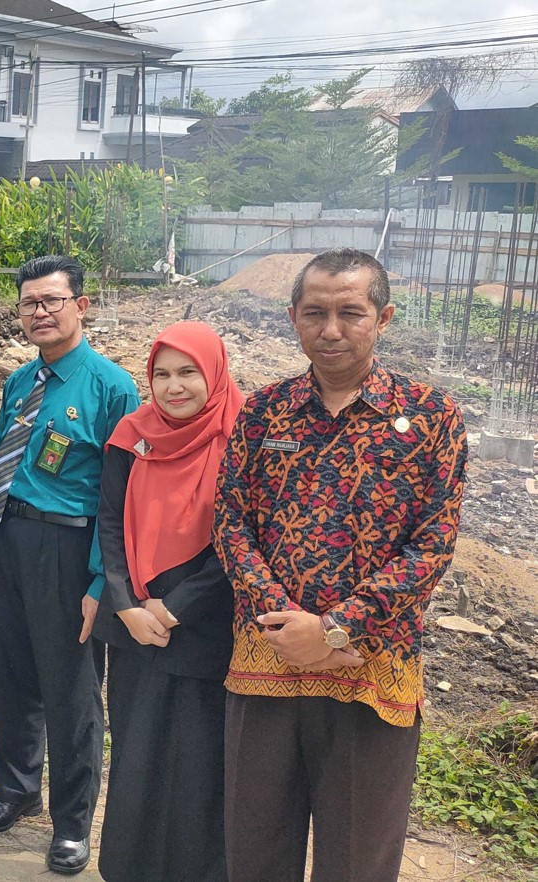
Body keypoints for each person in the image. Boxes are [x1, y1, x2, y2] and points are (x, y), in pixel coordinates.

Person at [214, 248, 466, 882]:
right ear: (293, 317)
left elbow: (431, 545)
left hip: (371, 671)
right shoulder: (264, 412)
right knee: (256, 850)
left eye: (350, 313)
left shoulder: (432, 418)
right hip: (267, 664)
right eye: (315, 312)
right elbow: (232, 523)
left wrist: (333, 632)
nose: (331, 330)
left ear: (383, 318)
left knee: (357, 858)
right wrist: (286, 629)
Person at [0, 255, 139, 875]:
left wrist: (102, 579)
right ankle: (15, 790)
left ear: (81, 307)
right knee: (8, 672)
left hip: (67, 549)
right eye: (29, 304)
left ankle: (71, 822)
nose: (39, 313)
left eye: (51, 301)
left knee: (70, 688)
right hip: (7, 537)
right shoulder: (21, 380)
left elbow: (118, 498)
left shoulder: (112, 386)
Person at [93, 321, 242, 882]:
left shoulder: (241, 435)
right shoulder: (132, 434)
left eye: (188, 373)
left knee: (200, 759)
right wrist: (127, 603)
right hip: (134, 623)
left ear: (214, 373)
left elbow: (239, 538)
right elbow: (108, 522)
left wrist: (174, 606)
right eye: (161, 374)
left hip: (204, 623)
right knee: (137, 749)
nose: (174, 387)